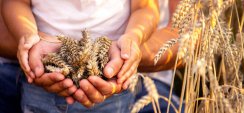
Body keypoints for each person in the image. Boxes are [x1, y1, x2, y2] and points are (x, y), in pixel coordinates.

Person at [2, 0, 160, 112]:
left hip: (112, 75)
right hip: (43, 69)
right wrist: (28, 36)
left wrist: (132, 38)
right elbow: (15, 2)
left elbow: (145, 7)